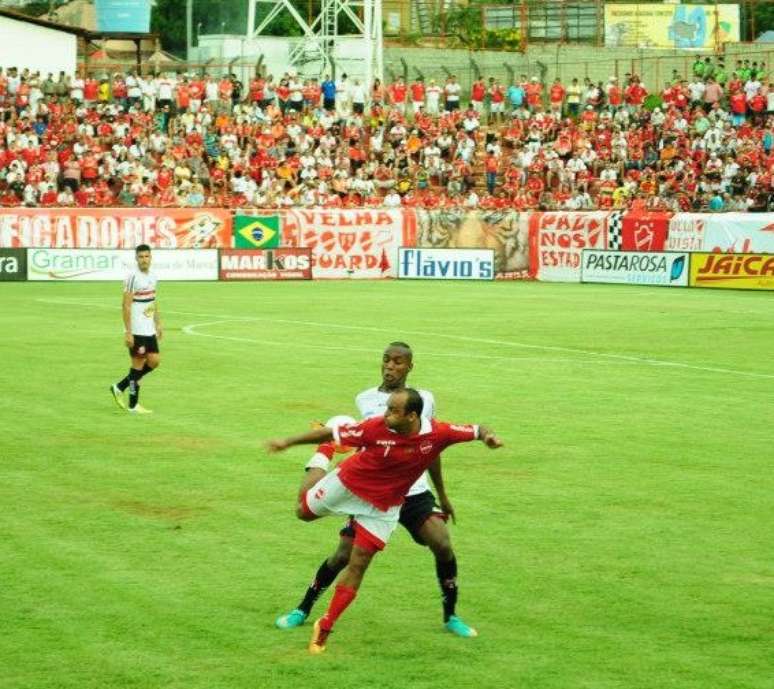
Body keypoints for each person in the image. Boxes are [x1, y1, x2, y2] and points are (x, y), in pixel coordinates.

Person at [265, 388, 503, 653]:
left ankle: (325, 627)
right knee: (302, 512)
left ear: (412, 415)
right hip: (349, 484)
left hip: (384, 505)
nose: (386, 414)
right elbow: (329, 432)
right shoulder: (375, 427)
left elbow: (476, 429)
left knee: (359, 563)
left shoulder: (438, 432)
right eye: (387, 408)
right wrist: (287, 442)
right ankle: (324, 453)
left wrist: (488, 437)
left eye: (393, 411)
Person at [110, 244, 162, 414]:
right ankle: (133, 405)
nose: (144, 260)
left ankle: (119, 386)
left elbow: (153, 301)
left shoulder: (153, 276)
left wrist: (158, 323)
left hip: (149, 329)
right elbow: (125, 305)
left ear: (151, 257)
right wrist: (128, 331)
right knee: (137, 366)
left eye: (147, 256)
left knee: (154, 361)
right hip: (137, 330)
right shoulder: (132, 277)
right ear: (136, 258)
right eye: (141, 257)